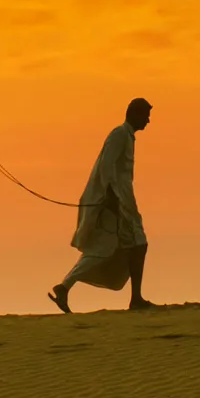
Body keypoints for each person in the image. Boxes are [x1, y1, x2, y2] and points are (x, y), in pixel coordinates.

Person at [48, 99, 154, 313]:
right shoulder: (118, 135)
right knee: (120, 246)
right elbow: (106, 168)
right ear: (134, 114)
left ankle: (66, 286)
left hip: (123, 201)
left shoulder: (127, 137)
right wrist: (112, 198)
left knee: (129, 246)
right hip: (115, 202)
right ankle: (135, 299)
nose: (148, 121)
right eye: (145, 115)